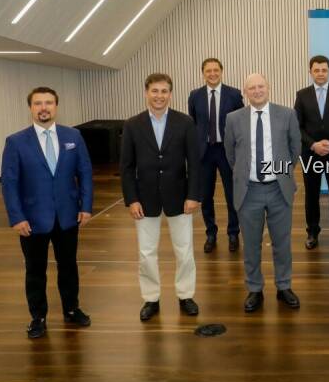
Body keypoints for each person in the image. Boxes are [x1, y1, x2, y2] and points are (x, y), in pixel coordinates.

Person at [1, 87, 93, 338]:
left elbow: (84, 172)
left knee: (68, 266)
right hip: (32, 220)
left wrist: (86, 207)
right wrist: (16, 217)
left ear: (56, 106)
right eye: (38, 103)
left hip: (67, 216)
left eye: (49, 103)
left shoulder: (73, 135)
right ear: (30, 108)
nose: (44, 108)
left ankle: (72, 309)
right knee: (35, 270)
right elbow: (9, 183)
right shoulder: (16, 142)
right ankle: (38, 317)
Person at [121, 73, 201, 322]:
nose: (159, 96)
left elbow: (195, 163)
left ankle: (186, 295)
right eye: (154, 91)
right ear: (146, 93)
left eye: (164, 91)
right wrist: (131, 199)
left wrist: (193, 195)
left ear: (170, 94)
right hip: (144, 200)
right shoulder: (132, 124)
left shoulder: (185, 122)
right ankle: (151, 298)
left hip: (180, 197)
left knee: (185, 250)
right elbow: (126, 166)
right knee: (146, 253)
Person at [224, 73, 302, 313]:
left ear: (268, 88)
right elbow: (231, 154)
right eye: (252, 88)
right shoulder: (233, 118)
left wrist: (281, 172)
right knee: (251, 244)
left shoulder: (287, 114)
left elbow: (295, 147)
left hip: (279, 190)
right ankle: (255, 289)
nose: (257, 91)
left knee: (282, 242)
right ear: (245, 92)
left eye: (260, 86)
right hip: (249, 192)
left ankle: (283, 285)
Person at [294, 55, 329, 250]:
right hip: (310, 154)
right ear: (310, 72)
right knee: (311, 194)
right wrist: (313, 145)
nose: (320, 73)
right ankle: (312, 231)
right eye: (316, 70)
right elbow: (297, 126)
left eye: (324, 70)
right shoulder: (301, 95)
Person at [188, 57, 243, 254]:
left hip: (227, 151)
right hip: (204, 152)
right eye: (208, 71)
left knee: (231, 194)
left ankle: (233, 233)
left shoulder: (234, 94)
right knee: (206, 195)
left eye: (215, 70)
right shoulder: (194, 96)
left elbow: (241, 124)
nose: (212, 74)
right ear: (203, 73)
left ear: (222, 71)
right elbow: (194, 123)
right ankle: (211, 233)